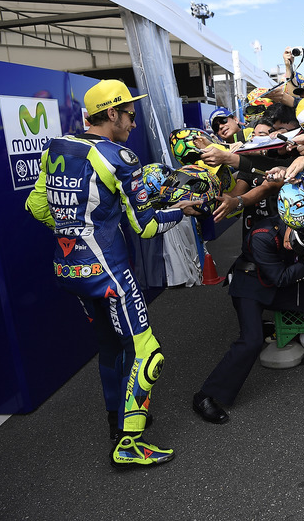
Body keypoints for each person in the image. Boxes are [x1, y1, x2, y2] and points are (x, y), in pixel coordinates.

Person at [24, 79, 203, 467]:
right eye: (130, 115)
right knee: (146, 352)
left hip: (68, 269)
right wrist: (184, 209)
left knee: (111, 347)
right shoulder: (120, 157)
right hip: (108, 271)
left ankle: (116, 421)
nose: (133, 124)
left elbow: (36, 207)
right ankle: (128, 445)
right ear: (111, 114)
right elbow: (147, 227)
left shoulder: (58, 147)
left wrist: (78, 225)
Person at [192, 184, 304, 425]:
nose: (293, 242)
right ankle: (206, 396)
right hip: (251, 286)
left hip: (281, 284)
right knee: (251, 340)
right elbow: (283, 275)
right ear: (285, 221)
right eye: (292, 236)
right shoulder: (262, 235)